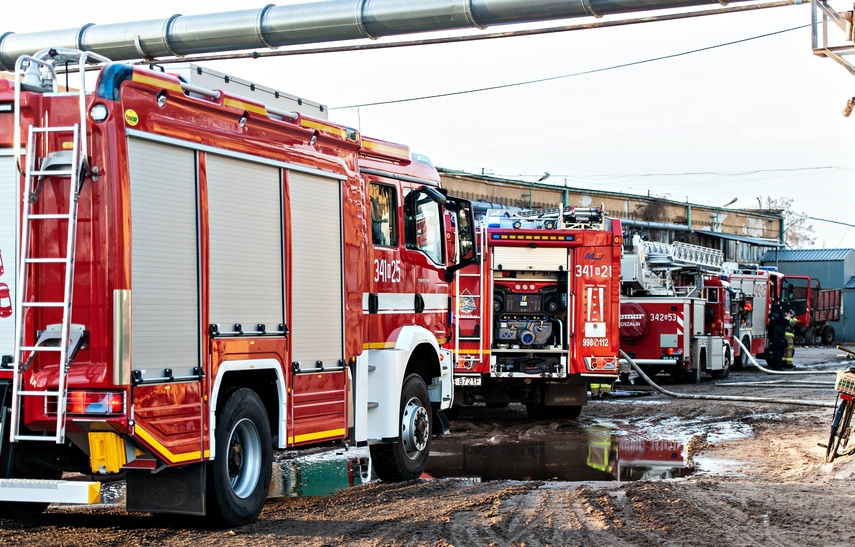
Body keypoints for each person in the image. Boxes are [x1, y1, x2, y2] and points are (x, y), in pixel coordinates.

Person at [766, 302, 788, 370]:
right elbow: (786, 322)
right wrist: (788, 317)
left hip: (773, 338)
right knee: (779, 353)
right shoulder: (779, 316)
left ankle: (774, 367)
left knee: (775, 353)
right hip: (779, 337)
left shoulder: (772, 316)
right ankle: (778, 367)